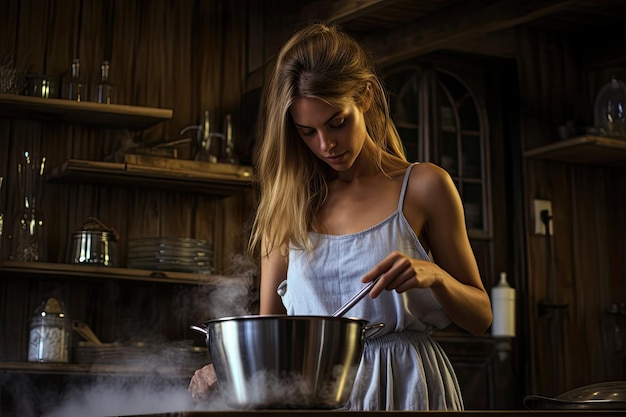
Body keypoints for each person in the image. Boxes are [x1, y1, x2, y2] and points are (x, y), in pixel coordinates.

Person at [189, 22, 493, 410]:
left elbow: (480, 317)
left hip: (406, 388)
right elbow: (269, 338)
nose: (326, 144)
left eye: (337, 122)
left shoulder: (423, 186)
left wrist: (434, 276)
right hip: (315, 393)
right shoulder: (287, 208)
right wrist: (223, 368)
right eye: (307, 132)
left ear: (364, 96)